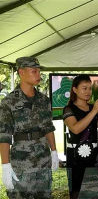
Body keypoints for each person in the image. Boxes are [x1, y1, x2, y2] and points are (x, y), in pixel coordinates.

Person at [0, 57, 59, 198]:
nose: (39, 75)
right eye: (34, 71)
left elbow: (48, 128)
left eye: (39, 71)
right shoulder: (8, 102)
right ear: (21, 72)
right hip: (22, 161)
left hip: (43, 159)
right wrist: (6, 166)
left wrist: (54, 152)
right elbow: (4, 136)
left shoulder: (43, 100)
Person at [63, 74, 98, 199]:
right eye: (84, 88)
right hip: (76, 157)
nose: (88, 92)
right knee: (76, 192)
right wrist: (94, 111)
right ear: (75, 90)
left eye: (90, 88)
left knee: (95, 190)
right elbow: (76, 129)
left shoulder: (92, 107)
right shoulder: (68, 109)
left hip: (93, 155)